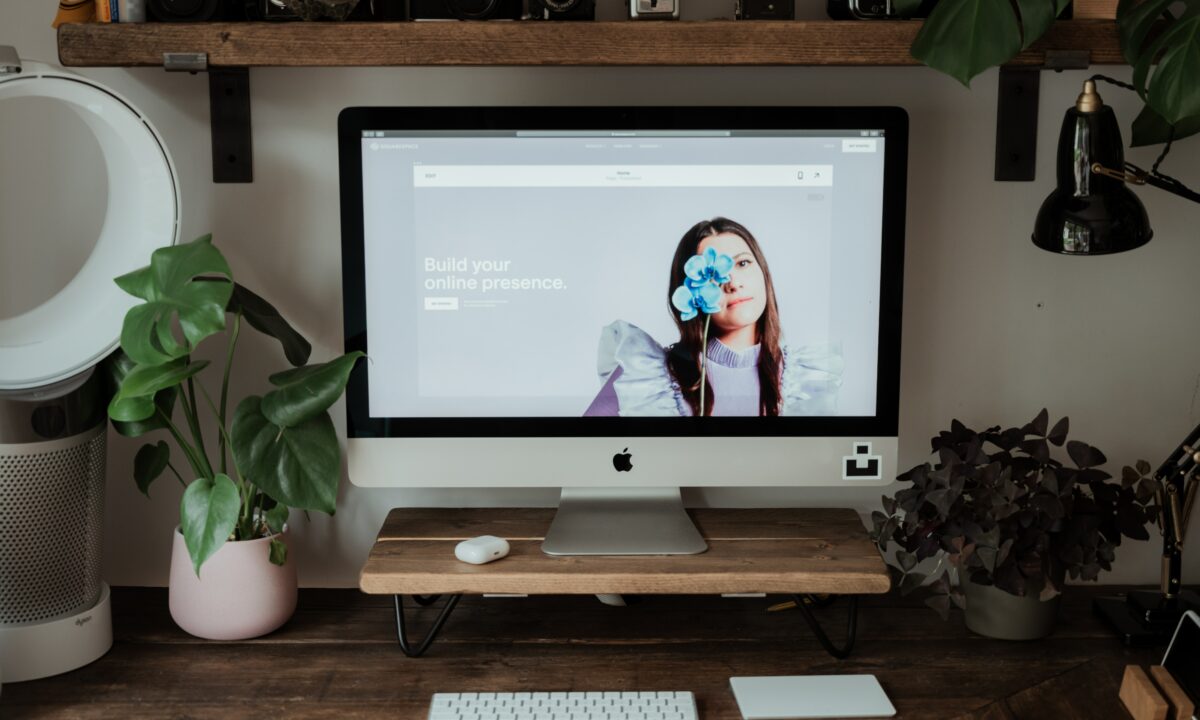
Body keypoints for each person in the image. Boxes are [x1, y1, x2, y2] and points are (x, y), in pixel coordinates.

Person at [583, 217, 842, 417]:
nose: (732, 283)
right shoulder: (647, 376)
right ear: (686, 288)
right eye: (711, 275)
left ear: (763, 272)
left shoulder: (807, 379)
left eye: (742, 263)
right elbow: (586, 454)